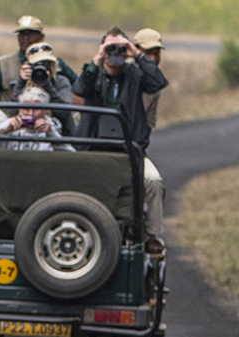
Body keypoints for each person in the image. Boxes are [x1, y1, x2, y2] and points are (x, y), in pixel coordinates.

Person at [72, 27, 168, 253]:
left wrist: (136, 54)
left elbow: (157, 82)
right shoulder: (94, 73)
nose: (115, 53)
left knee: (153, 181)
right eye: (110, 48)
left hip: (129, 150)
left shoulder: (134, 74)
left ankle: (151, 234)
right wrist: (97, 59)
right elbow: (80, 89)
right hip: (93, 149)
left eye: (120, 48)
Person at [0, 16, 79, 103]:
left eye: (31, 34)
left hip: (48, 121)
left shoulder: (55, 63)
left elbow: (79, 88)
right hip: (11, 119)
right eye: (22, 34)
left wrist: (49, 83)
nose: (25, 38)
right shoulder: (3, 64)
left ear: (41, 37)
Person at [9, 42, 74, 136]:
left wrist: (47, 85)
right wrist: (21, 83)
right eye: (36, 65)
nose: (41, 69)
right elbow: (12, 112)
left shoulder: (61, 82)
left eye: (47, 64)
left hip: (59, 134)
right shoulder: (24, 82)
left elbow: (64, 113)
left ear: (53, 66)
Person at [0, 87, 75, 152]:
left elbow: (71, 153)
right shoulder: (11, 123)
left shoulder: (51, 125)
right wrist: (5, 130)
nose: (31, 113)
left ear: (45, 110)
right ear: (19, 109)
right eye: (26, 108)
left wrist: (51, 134)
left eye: (36, 108)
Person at [133, 28, 166, 130]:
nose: (153, 58)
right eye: (148, 53)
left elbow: (149, 123)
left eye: (156, 53)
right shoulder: (124, 74)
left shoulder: (154, 83)